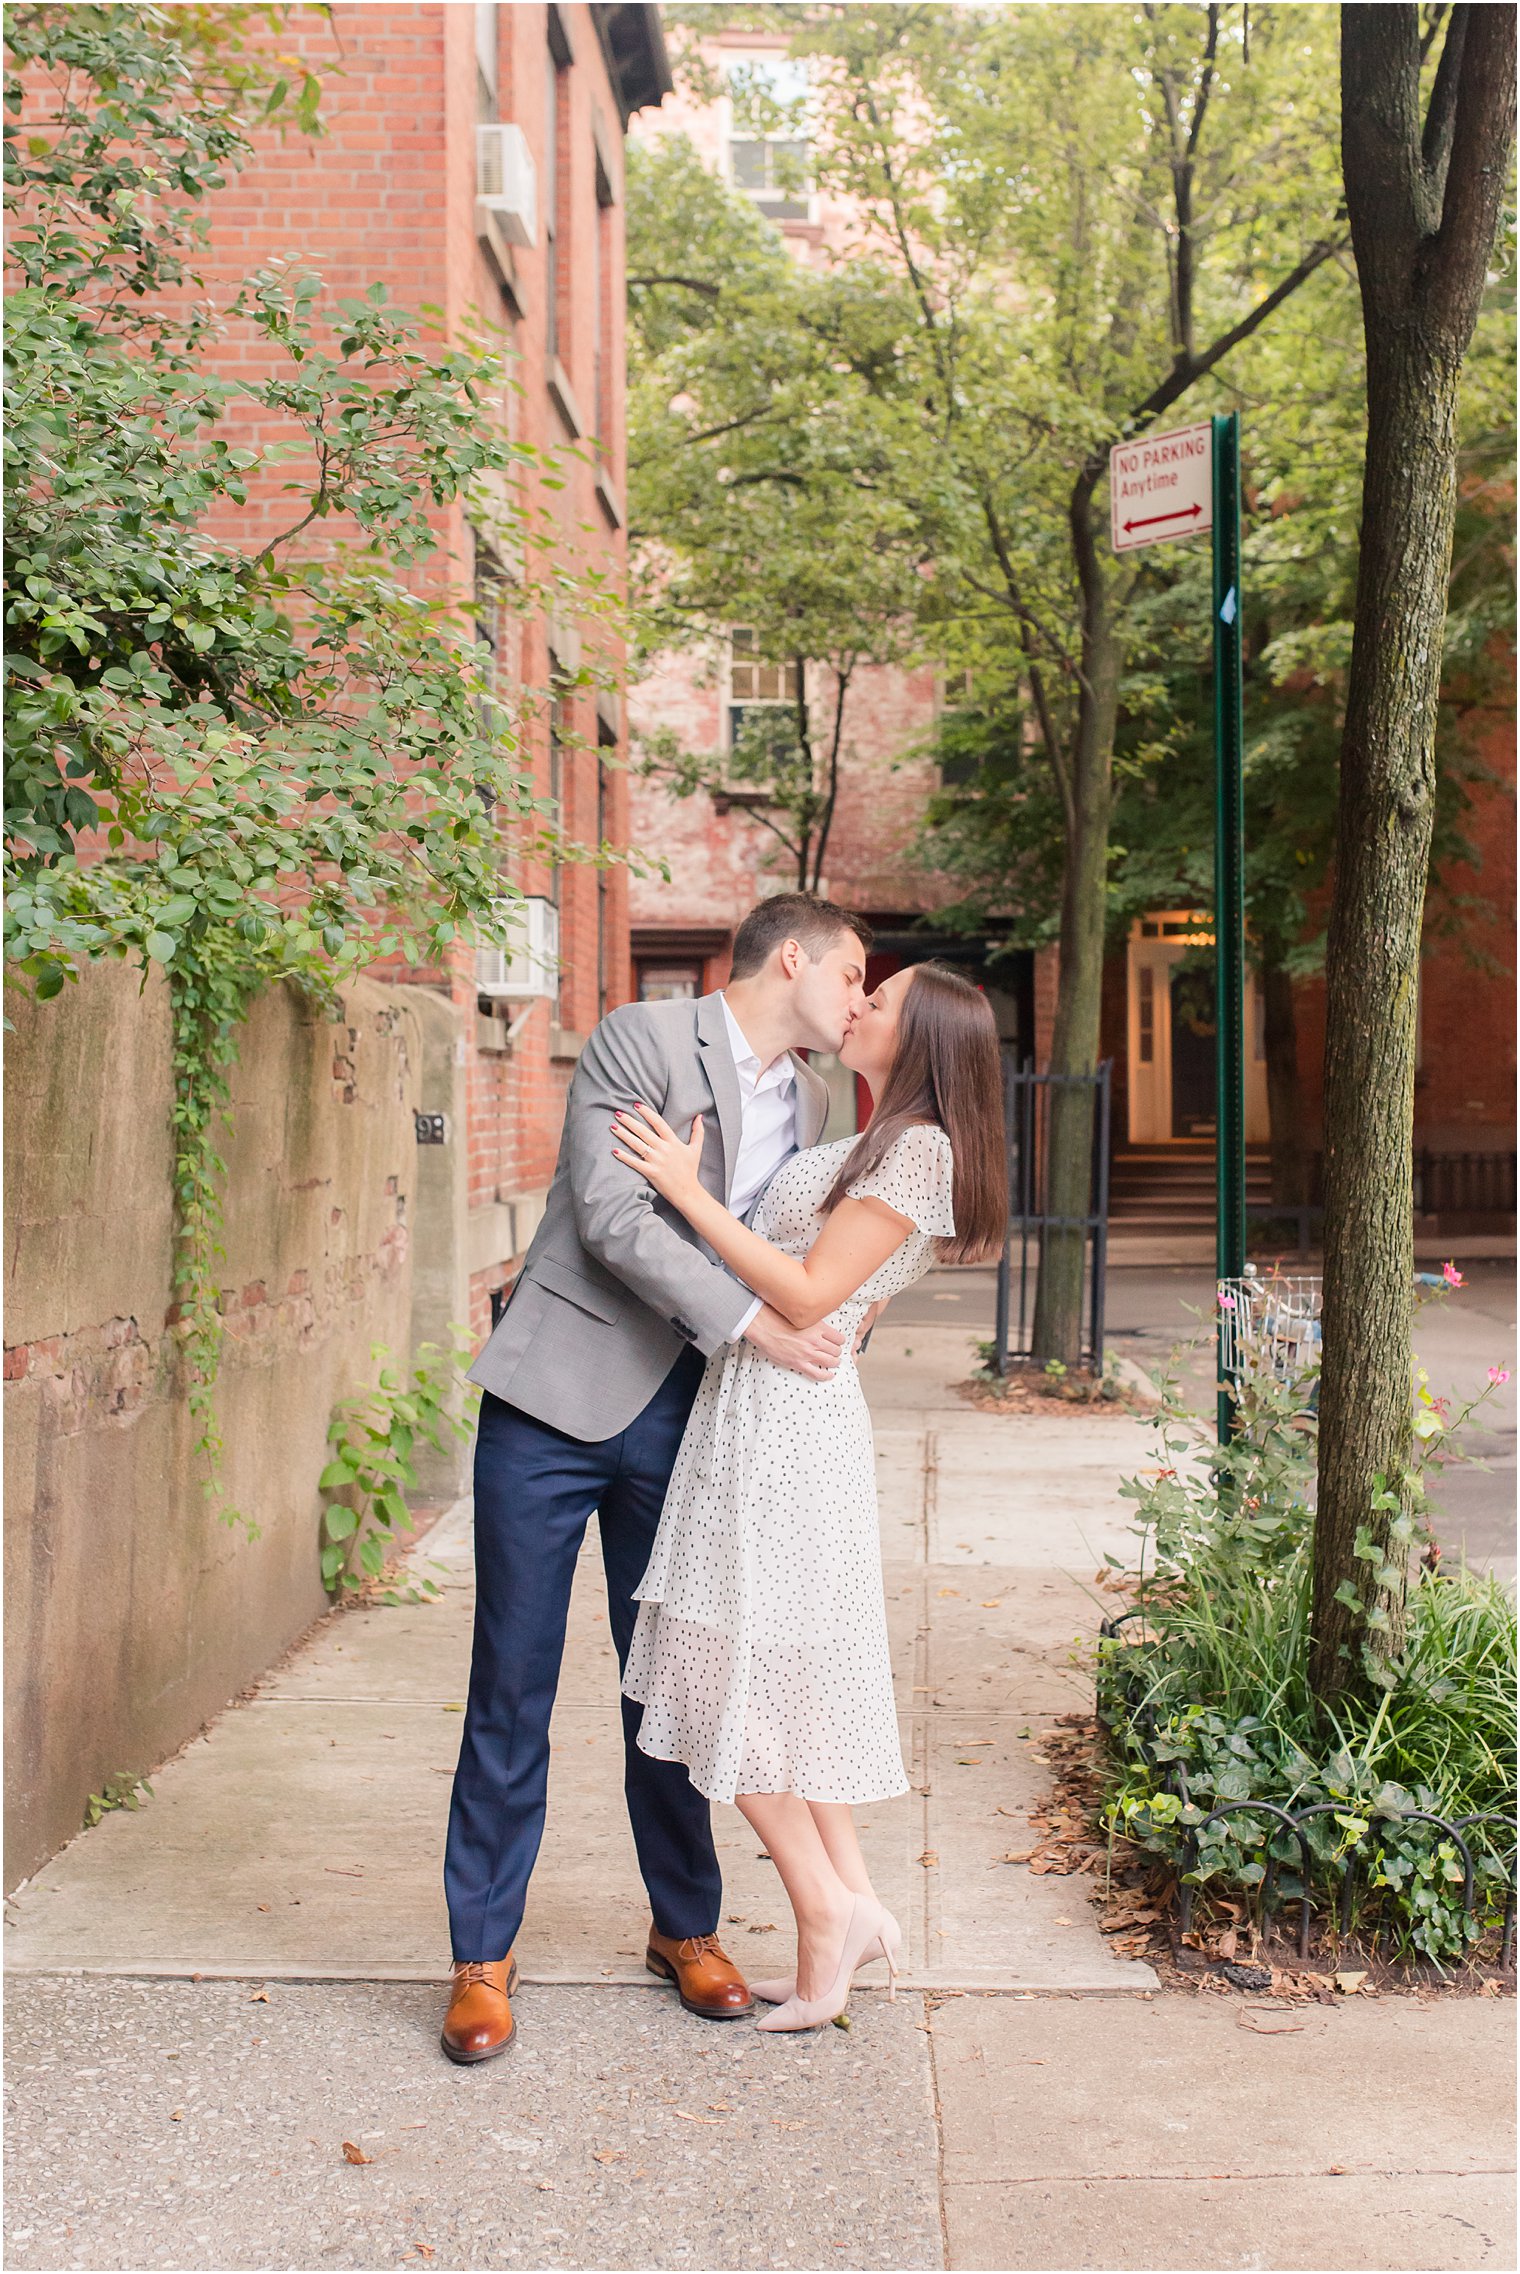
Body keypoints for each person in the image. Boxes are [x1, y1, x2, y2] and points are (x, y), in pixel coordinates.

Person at [439, 893, 871, 2064]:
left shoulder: (823, 1097)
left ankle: (684, 1927)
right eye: (850, 979)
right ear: (794, 958)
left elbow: (808, 1251)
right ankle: (481, 1954)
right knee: (511, 1679)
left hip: (689, 1423)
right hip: (552, 1402)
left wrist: (825, 1316)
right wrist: (755, 1326)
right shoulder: (641, 1037)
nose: (858, 1003)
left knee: (671, 1687)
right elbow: (612, 1218)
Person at [611, 961, 1007, 2031]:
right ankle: (852, 1907)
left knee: (712, 1673)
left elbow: (805, 1290)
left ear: (918, 1036)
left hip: (785, 1429)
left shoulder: (921, 1150)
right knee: (763, 1679)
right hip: (755, 1412)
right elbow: (828, 1275)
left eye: (878, 999)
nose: (858, 1004)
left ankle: (821, 1909)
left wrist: (682, 1189)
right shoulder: (869, 1133)